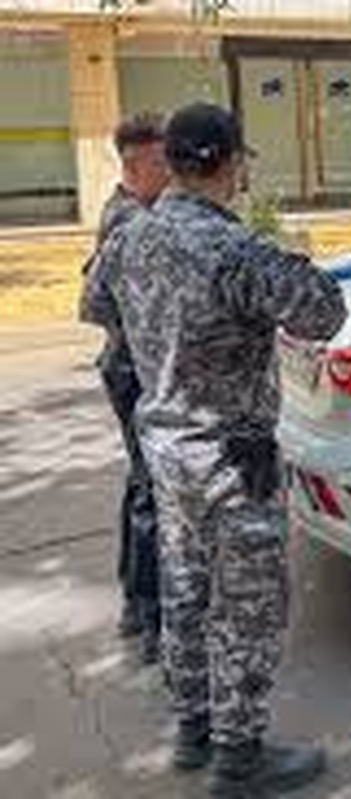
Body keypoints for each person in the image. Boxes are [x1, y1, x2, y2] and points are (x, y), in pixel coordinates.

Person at [82, 103, 347, 796]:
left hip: (167, 450)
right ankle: (239, 753)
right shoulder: (235, 251)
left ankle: (193, 728)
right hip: (234, 459)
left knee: (185, 590)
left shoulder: (129, 236)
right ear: (231, 164)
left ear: (171, 161)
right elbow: (324, 311)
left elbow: (97, 306)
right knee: (248, 605)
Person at [82, 113, 171, 664]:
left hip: (133, 367)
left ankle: (137, 604)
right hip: (134, 370)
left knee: (143, 484)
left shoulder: (135, 210)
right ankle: (148, 614)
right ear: (136, 165)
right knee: (152, 491)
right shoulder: (130, 219)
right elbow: (95, 303)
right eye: (164, 161)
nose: (173, 170)